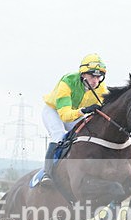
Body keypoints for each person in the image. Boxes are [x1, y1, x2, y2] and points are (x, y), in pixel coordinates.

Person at [39, 53, 108, 184]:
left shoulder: (101, 89)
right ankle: (46, 174)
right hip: (54, 111)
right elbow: (64, 115)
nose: (95, 80)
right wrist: (83, 111)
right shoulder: (68, 81)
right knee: (59, 136)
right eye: (92, 76)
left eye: (99, 76)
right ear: (83, 74)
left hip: (75, 114)